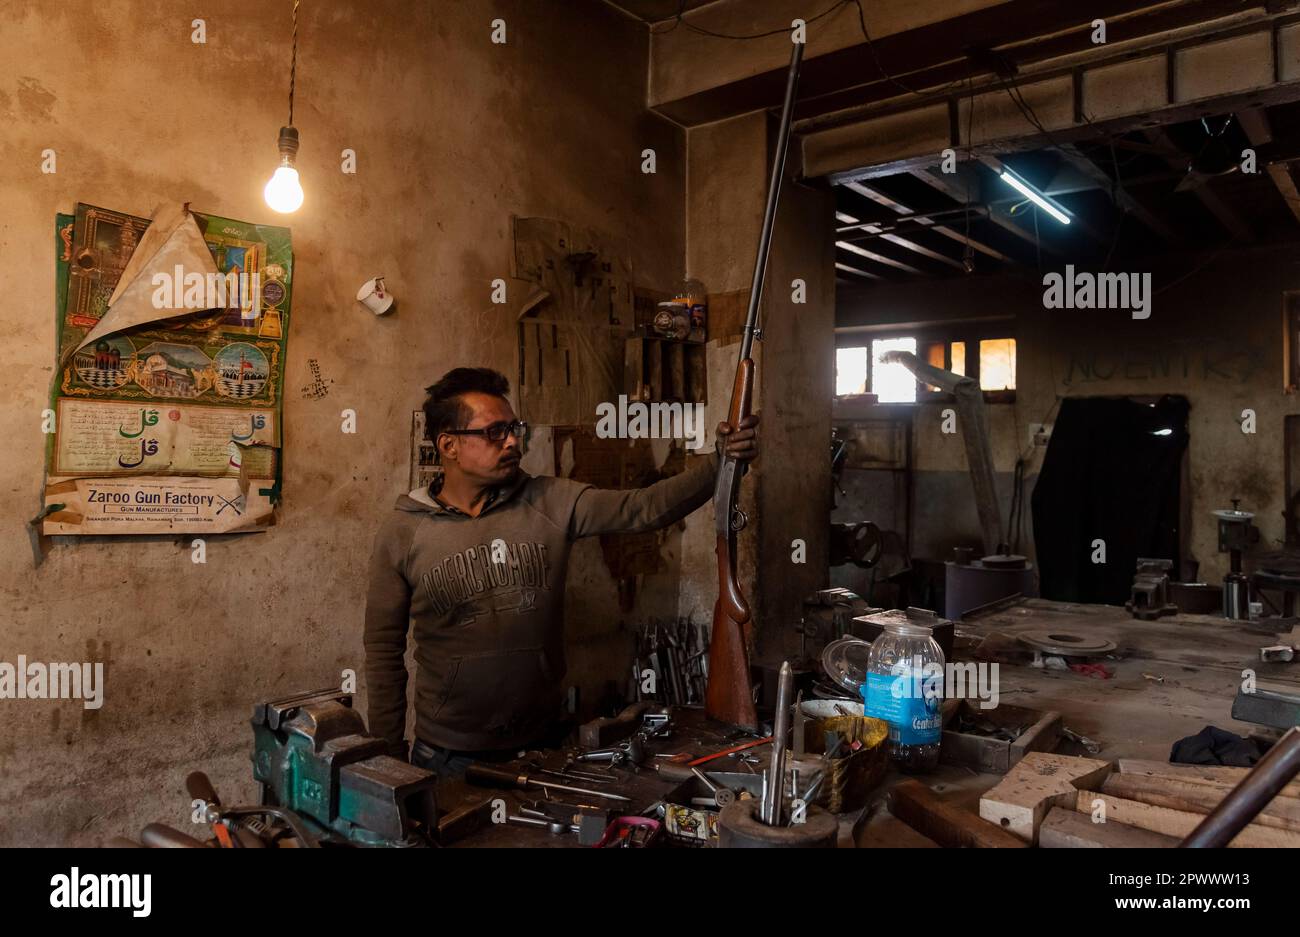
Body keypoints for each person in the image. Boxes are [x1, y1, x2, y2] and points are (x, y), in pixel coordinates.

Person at [364, 367, 759, 776]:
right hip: (447, 755)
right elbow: (382, 653)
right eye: (494, 432)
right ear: (448, 445)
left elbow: (644, 508)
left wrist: (720, 463)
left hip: (543, 747)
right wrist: (388, 760)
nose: (513, 441)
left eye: (514, 427)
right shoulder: (403, 532)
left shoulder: (550, 500)